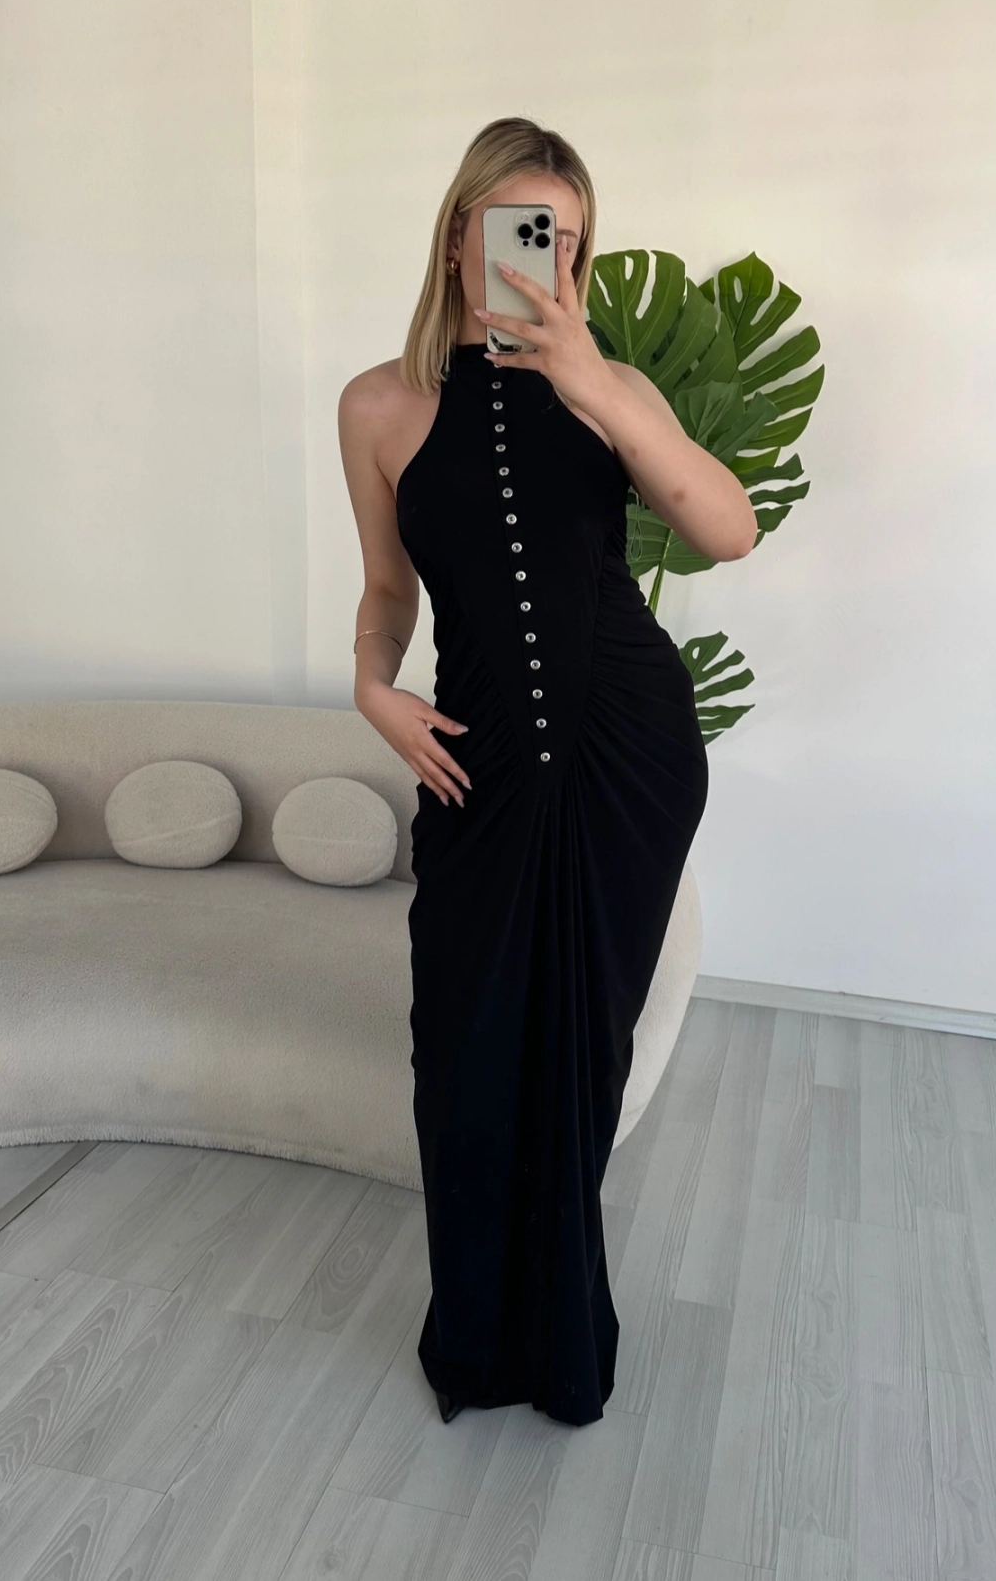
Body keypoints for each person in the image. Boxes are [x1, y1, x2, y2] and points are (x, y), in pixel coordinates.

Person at [337, 116, 755, 1428]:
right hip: (479, 765)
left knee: (580, 1049)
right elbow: (388, 592)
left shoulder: (608, 386)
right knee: (463, 1047)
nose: (544, 259)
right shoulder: (377, 405)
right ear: (457, 237)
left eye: (567, 242)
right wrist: (373, 688)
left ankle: (564, 1346)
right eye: (520, 230)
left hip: (628, 750)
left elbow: (728, 530)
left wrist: (595, 385)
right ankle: (476, 1339)